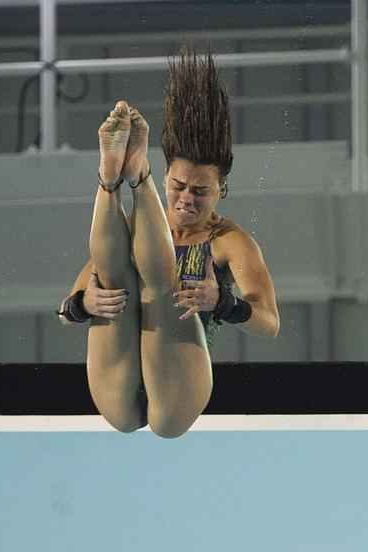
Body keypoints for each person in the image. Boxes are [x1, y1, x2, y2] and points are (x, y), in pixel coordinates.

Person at [56, 47, 279, 437]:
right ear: (166, 180)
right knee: (112, 278)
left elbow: (269, 324)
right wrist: (83, 304)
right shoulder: (129, 235)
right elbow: (65, 312)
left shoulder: (229, 240)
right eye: (177, 186)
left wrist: (223, 303)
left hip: (180, 387)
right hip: (117, 384)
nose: (186, 199)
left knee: (163, 289)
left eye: (200, 191)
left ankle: (129, 179)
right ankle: (111, 180)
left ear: (221, 190)